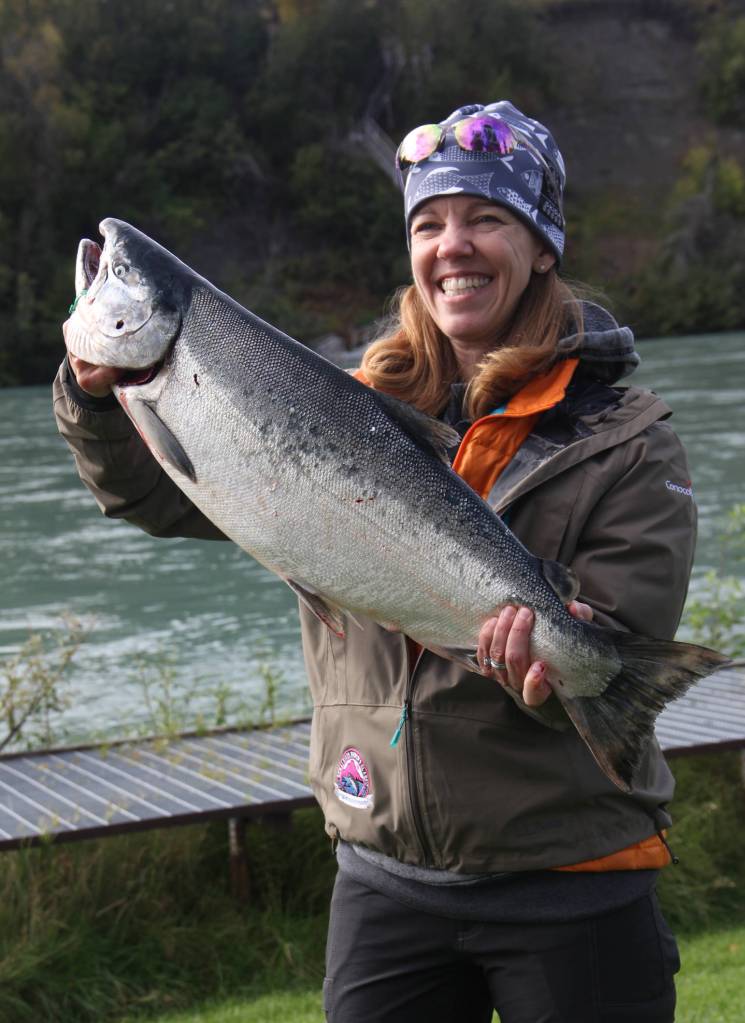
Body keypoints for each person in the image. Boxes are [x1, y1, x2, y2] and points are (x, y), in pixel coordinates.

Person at [54, 100, 692, 1022]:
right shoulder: (335, 403)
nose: (451, 245)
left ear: (542, 246)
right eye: (428, 224)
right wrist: (94, 402)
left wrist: (569, 660)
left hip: (572, 873)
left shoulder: (625, 436)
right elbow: (154, 494)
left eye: (485, 217)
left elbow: (626, 626)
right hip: (384, 876)